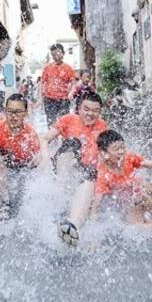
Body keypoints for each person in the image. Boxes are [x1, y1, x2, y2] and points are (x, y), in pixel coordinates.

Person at [66, 130, 152, 245]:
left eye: (122, 147)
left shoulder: (129, 158)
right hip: (131, 204)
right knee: (136, 227)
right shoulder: (103, 174)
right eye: (117, 149)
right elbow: (95, 207)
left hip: (144, 194)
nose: (122, 152)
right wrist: (92, 238)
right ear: (104, 153)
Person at [42, 93, 108, 246]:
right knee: (73, 143)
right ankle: (61, 200)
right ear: (79, 108)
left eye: (95, 111)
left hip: (85, 171)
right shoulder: (68, 120)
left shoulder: (103, 126)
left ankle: (72, 227)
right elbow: (45, 139)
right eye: (86, 109)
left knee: (91, 174)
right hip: (64, 165)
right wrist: (45, 157)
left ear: (99, 112)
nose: (90, 114)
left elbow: (108, 155)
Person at [40, 43, 76, 127]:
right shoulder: (47, 68)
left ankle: (64, 139)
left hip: (64, 100)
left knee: (64, 122)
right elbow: (41, 83)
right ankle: (52, 140)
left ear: (63, 53)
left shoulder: (68, 68)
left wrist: (71, 93)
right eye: (53, 54)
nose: (55, 56)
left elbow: (74, 84)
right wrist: (40, 98)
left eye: (57, 53)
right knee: (51, 122)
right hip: (49, 99)